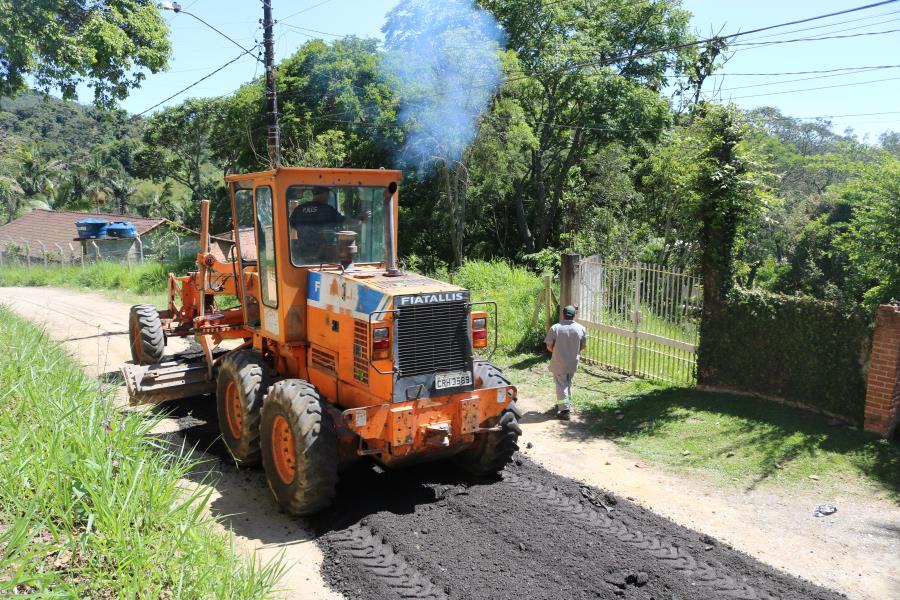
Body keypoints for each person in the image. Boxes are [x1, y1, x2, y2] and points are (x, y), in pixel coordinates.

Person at [544, 305, 587, 420]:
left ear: (563, 314)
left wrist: (558, 352)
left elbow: (549, 346)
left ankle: (564, 410)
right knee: (567, 383)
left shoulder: (555, 328)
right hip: (573, 362)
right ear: (574, 315)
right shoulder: (581, 328)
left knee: (561, 385)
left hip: (559, 362)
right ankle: (565, 404)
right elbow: (583, 345)